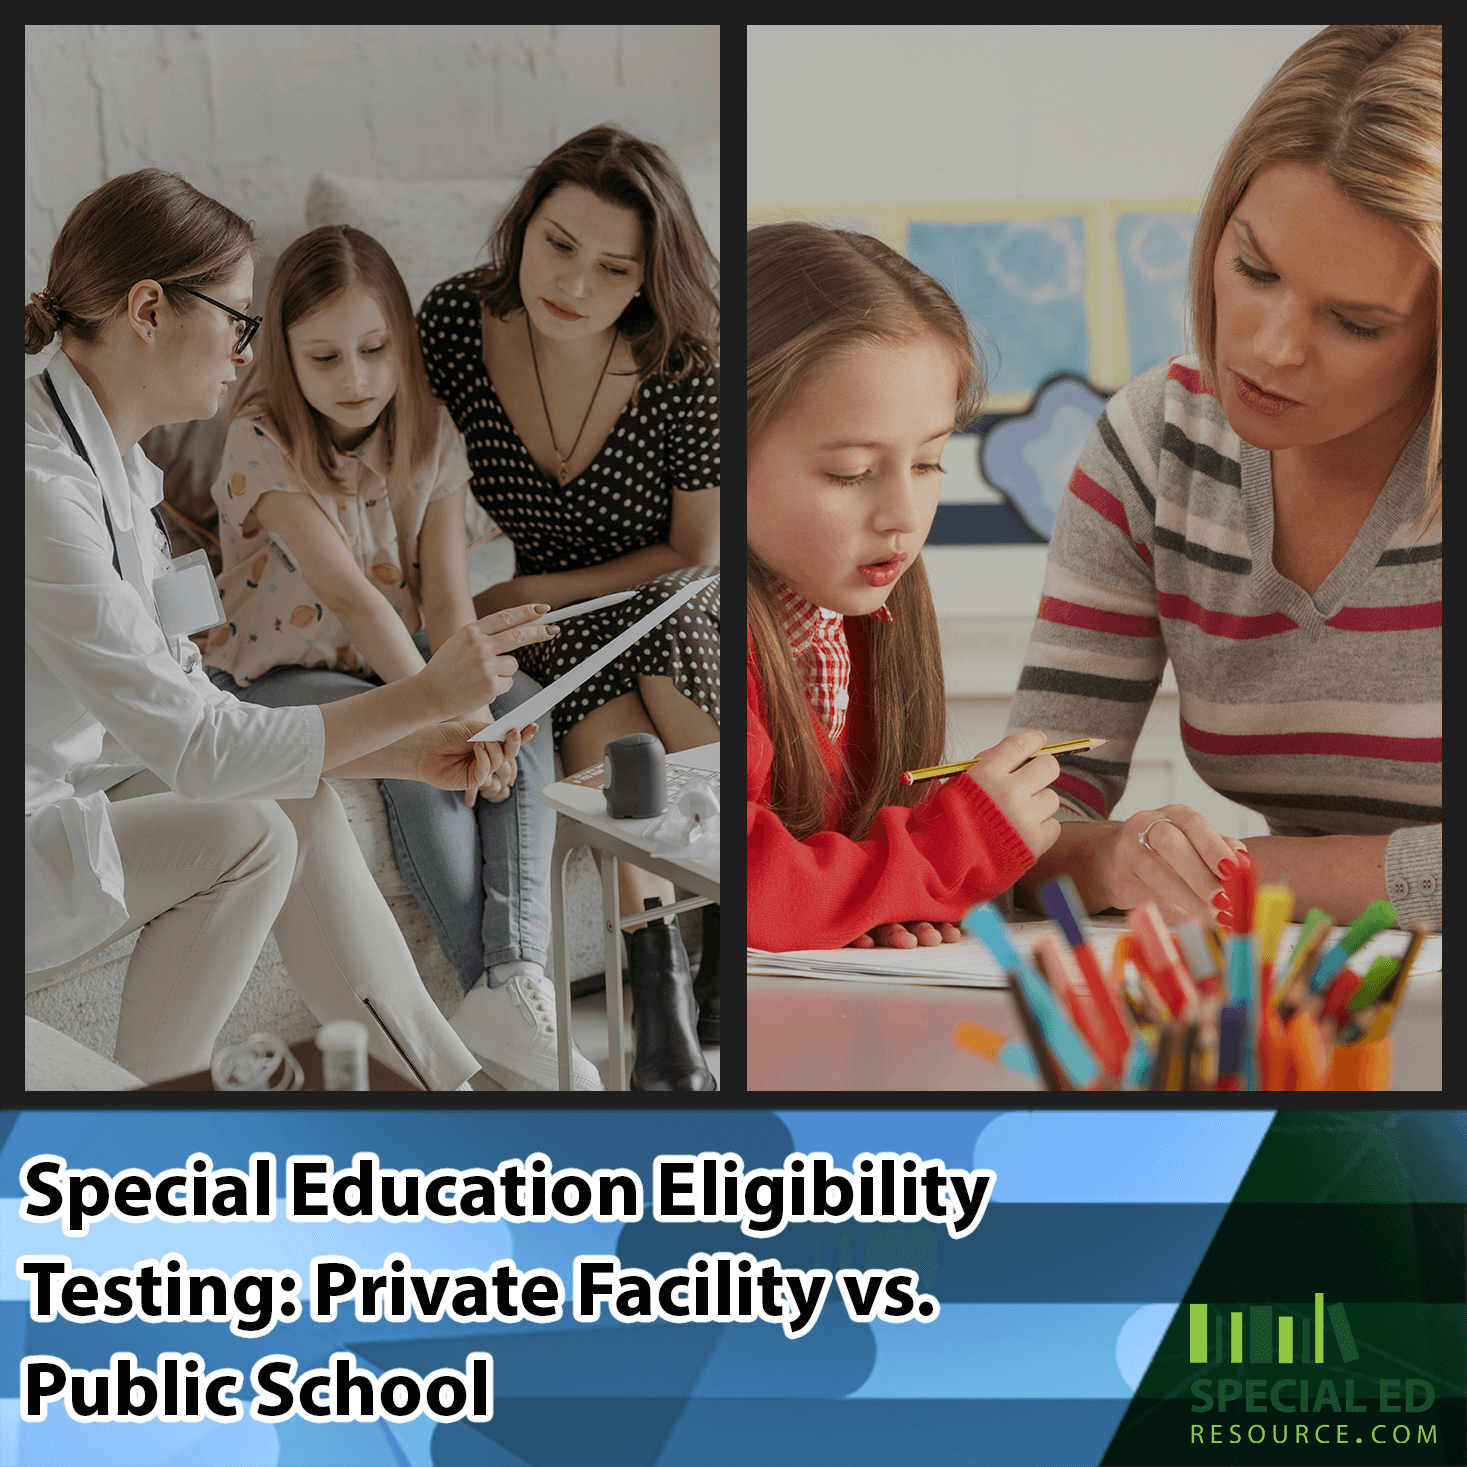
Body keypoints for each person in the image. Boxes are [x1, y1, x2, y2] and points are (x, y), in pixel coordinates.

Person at [25, 168, 559, 1090]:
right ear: (148, 309)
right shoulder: (43, 490)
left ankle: (450, 1089)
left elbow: (188, 701)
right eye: (239, 319)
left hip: (76, 771)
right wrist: (426, 695)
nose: (244, 350)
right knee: (252, 835)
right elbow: (199, 745)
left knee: (294, 804)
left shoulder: (117, 458)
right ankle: (157, 1120)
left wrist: (412, 748)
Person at [1006, 25, 1441, 933]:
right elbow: (1034, 817)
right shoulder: (1155, 445)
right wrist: (1115, 855)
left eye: (1355, 322)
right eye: (1253, 268)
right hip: (1308, 986)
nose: (1270, 349)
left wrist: (1247, 872)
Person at [201, 224, 600, 1092]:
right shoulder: (259, 438)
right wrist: (443, 710)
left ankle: (512, 975)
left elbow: (450, 602)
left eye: (375, 350)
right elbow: (350, 595)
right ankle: (479, 979)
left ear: (403, 344)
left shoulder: (431, 433)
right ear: (285, 357)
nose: (356, 379)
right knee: (418, 754)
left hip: (402, 649)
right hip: (280, 670)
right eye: (325, 357)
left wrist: (482, 710)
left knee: (521, 704)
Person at [417, 125, 721, 1090]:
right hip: (560, 627)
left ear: (648, 277)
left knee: (655, 635)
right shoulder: (454, 324)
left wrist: (516, 594)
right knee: (595, 707)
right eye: (557, 244)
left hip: (670, 592)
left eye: (612, 266)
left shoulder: (688, 359)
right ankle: (666, 990)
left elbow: (696, 552)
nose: (574, 284)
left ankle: (704, 943)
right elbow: (419, 491)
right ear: (524, 226)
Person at [746, 222, 1064, 953]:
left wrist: (883, 897)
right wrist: (949, 851)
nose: (903, 515)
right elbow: (748, 882)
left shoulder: (864, 617)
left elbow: (830, 871)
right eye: (850, 472)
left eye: (927, 464)